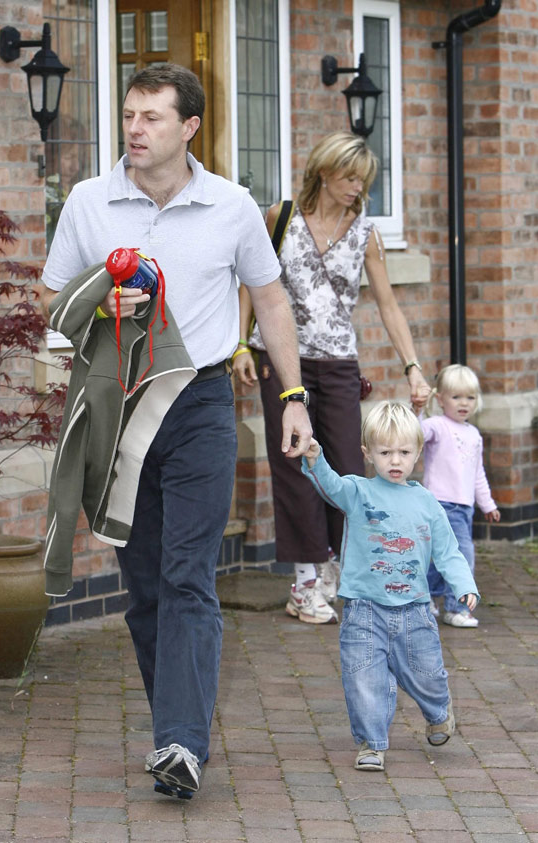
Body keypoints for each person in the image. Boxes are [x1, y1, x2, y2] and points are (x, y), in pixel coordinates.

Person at [39, 64, 312, 799]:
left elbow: (270, 299)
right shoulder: (89, 202)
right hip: (119, 411)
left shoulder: (231, 205)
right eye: (130, 114)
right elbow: (51, 298)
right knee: (145, 588)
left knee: (188, 574)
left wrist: (293, 396)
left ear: (189, 126)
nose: (135, 128)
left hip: (200, 405)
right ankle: (176, 733)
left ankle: (182, 743)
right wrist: (97, 302)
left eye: (152, 116)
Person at [233, 131, 431, 625]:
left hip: (340, 362)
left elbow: (388, 304)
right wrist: (239, 344)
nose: (357, 188)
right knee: (295, 463)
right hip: (282, 361)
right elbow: (251, 285)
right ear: (324, 172)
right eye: (349, 177)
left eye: (363, 181)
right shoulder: (280, 218)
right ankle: (304, 583)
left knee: (345, 466)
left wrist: (412, 366)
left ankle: (336, 569)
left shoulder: (366, 234)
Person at [301, 401, 480, 772]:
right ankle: (372, 743)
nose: (395, 460)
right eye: (385, 453)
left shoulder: (427, 502)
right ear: (368, 453)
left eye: (403, 452)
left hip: (415, 609)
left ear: (418, 452)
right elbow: (329, 485)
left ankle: (438, 711)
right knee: (363, 676)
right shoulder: (358, 492)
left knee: (427, 675)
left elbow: (448, 551)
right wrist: (316, 458)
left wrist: (464, 585)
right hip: (363, 609)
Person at [416, 364, 500, 628]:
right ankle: (457, 608)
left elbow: (477, 473)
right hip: (440, 504)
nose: (464, 403)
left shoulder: (474, 434)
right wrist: (417, 410)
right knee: (462, 556)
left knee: (443, 558)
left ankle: (425, 597)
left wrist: (487, 504)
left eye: (470, 397)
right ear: (440, 399)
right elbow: (416, 435)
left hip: (465, 509)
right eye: (456, 397)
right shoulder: (437, 425)